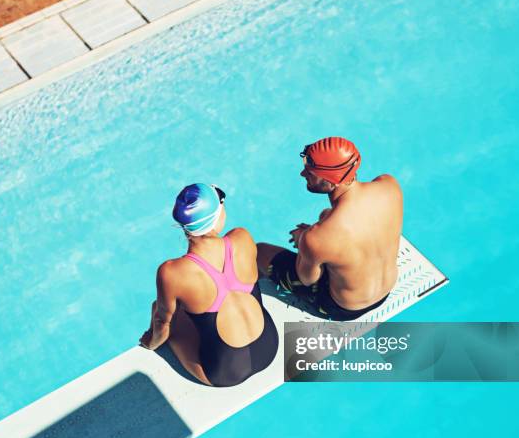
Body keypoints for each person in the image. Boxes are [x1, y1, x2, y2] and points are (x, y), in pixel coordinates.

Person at [140, 183, 279, 387]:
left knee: (160, 309)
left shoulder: (172, 272)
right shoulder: (242, 237)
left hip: (225, 373)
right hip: (269, 347)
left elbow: (162, 324)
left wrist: (150, 343)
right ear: (216, 215)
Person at [257, 137, 403, 321]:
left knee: (258, 251)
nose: (303, 174)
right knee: (326, 215)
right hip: (386, 289)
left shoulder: (316, 237)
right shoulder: (389, 185)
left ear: (332, 182)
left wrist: (303, 241)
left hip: (344, 308)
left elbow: (307, 279)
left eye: (310, 172)